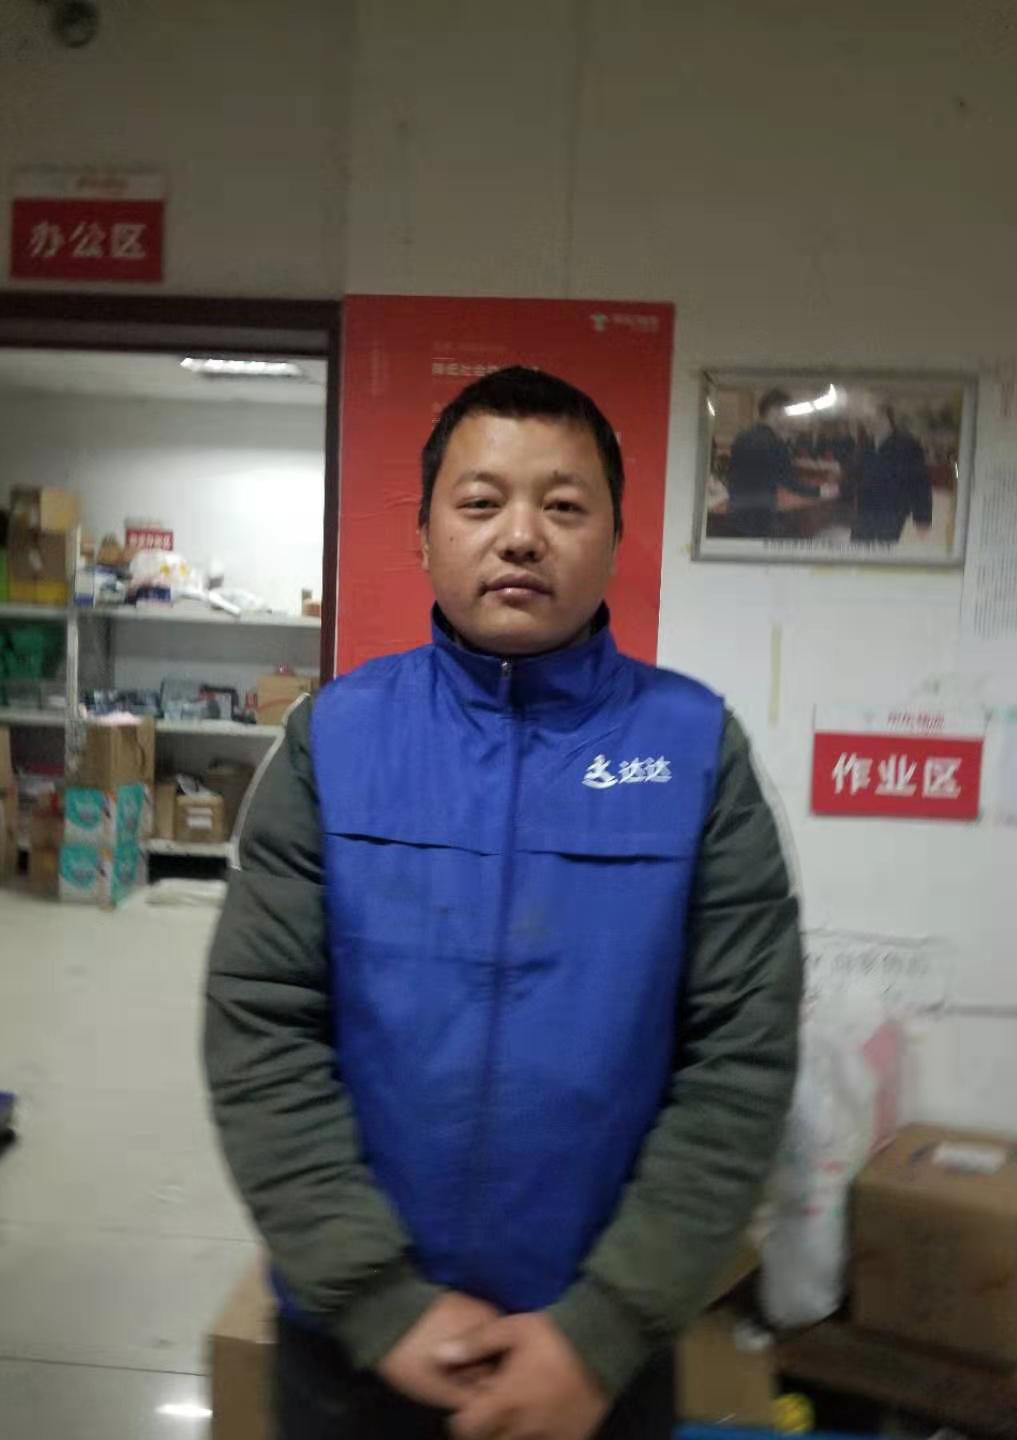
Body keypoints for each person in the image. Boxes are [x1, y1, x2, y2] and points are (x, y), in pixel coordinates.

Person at [204, 367, 802, 1440]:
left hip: (594, 1366)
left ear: (614, 538)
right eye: (481, 503)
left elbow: (741, 1061)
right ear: (424, 536)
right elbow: (261, 1031)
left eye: (563, 505)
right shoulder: (333, 741)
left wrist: (606, 1326)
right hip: (357, 1353)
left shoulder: (694, 751)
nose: (520, 536)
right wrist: (375, 1298)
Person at [725, 387, 832, 536]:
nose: (789, 417)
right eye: (787, 411)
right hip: (761, 514)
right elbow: (789, 481)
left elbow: (732, 474)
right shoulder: (774, 442)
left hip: (736, 510)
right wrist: (820, 491)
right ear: (775, 411)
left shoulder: (741, 437)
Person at [851, 404, 933, 543]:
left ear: (887, 419)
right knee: (858, 546)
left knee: (884, 548)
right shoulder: (866, 445)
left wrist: (922, 516)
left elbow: (921, 482)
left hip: (892, 511)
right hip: (865, 509)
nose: (869, 422)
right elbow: (859, 475)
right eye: (866, 418)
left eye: (874, 417)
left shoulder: (908, 445)